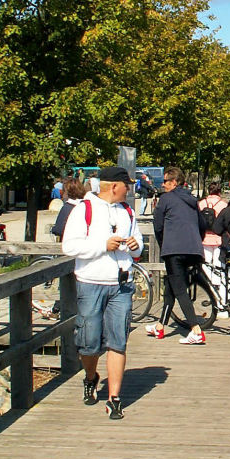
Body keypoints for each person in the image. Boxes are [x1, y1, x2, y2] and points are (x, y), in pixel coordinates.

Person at [61, 166, 142, 420]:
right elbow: (69, 246)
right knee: (89, 343)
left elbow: (137, 245)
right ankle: (91, 376)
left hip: (121, 284)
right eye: (126, 185)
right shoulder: (83, 210)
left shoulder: (127, 211)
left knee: (118, 341)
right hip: (91, 282)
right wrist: (102, 246)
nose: (129, 190)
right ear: (114, 186)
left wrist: (134, 245)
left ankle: (114, 399)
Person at [149, 167, 208, 345]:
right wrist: (198, 240)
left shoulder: (166, 199)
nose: (163, 184)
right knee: (171, 285)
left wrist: (163, 243)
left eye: (166, 181)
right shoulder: (192, 200)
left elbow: (158, 226)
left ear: (174, 182)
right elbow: (202, 224)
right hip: (193, 248)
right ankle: (160, 326)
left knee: (180, 289)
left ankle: (195, 330)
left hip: (174, 249)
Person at [198, 179, 229, 303]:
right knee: (218, 264)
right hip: (218, 238)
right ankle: (218, 287)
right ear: (219, 191)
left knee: (206, 264)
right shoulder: (224, 204)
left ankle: (209, 286)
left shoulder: (201, 203)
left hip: (205, 237)